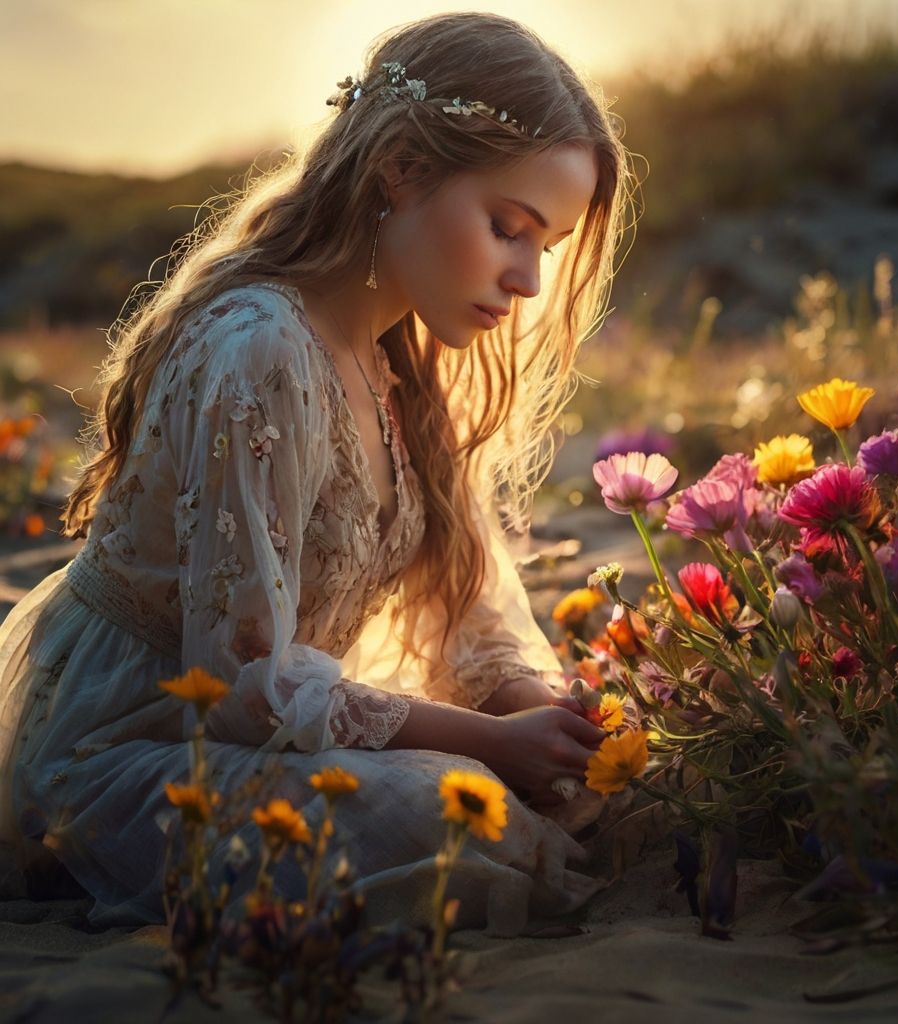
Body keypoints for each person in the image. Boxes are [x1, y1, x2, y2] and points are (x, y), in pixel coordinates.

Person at [0, 12, 635, 936]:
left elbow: (461, 611)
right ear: (403, 166)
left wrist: (539, 716)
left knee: (542, 786)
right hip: (122, 753)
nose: (530, 280)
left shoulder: (401, 363)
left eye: (548, 244)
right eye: (509, 227)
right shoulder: (260, 348)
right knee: (444, 805)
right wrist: (494, 744)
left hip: (241, 745)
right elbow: (241, 682)